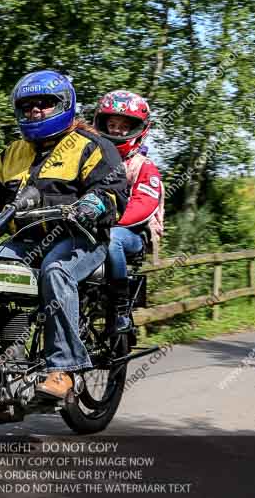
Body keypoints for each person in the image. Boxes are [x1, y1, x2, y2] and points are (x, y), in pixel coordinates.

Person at [0, 70, 128, 399]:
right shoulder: (12, 153)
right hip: (26, 241)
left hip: (80, 238)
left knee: (56, 270)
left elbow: (114, 193)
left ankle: (63, 368)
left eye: (45, 104)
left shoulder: (93, 146)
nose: (35, 111)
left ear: (64, 105)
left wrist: (93, 204)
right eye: (28, 105)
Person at [93, 90, 165, 330]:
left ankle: (120, 306)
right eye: (111, 124)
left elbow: (143, 203)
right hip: (91, 227)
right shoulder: (91, 158)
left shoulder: (142, 166)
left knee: (112, 239)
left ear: (137, 128)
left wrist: (108, 221)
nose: (116, 130)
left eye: (123, 126)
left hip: (131, 233)